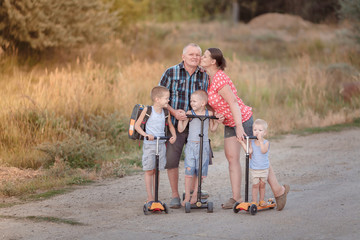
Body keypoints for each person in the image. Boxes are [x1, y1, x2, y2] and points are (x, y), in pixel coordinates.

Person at [200, 47, 290, 210]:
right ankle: (236, 197)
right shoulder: (208, 77)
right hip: (228, 122)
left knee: (256, 157)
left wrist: (240, 126)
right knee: (231, 157)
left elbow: (233, 102)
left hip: (242, 120)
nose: (201, 57)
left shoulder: (219, 78)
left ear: (213, 61)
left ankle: (279, 190)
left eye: (204, 56)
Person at [159, 43, 209, 208]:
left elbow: (209, 100)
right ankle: (175, 195)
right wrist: (174, 112)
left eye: (197, 55)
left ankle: (194, 192)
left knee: (199, 158)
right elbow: (160, 97)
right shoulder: (171, 72)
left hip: (197, 125)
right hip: (175, 122)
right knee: (172, 159)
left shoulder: (204, 75)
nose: (195, 57)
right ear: (183, 56)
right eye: (191, 54)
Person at [134, 86, 177, 206]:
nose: (168, 101)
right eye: (166, 98)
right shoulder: (148, 110)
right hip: (150, 145)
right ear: (157, 99)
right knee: (149, 170)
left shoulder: (166, 112)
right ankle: (150, 197)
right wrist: (146, 135)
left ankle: (156, 197)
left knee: (157, 171)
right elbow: (137, 126)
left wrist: (173, 136)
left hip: (161, 144)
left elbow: (170, 125)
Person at [177, 90, 219, 206]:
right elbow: (181, 129)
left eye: (194, 101)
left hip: (203, 145)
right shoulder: (190, 113)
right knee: (189, 169)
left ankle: (196, 194)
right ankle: (187, 197)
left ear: (203, 103)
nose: (191, 103)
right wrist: (181, 119)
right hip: (191, 145)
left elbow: (213, 129)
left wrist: (218, 122)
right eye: (191, 101)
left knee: (200, 170)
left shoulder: (208, 114)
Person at [239, 119, 270, 206]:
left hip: (264, 168)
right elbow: (249, 152)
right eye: (255, 130)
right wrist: (242, 143)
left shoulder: (266, 142)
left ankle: (261, 200)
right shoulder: (252, 142)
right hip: (254, 169)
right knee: (255, 185)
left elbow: (263, 151)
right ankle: (254, 201)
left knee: (262, 185)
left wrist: (260, 141)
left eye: (260, 130)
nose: (257, 132)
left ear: (265, 132)